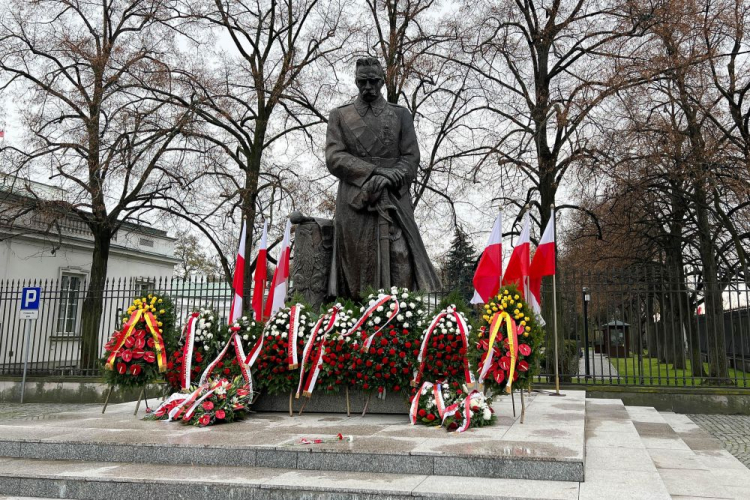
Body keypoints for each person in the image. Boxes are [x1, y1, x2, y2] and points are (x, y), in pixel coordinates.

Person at [326, 57, 441, 299]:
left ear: (382, 81)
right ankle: (355, 320)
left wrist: (393, 176)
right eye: (362, 82)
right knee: (358, 265)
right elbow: (334, 157)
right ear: (356, 82)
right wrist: (375, 172)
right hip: (355, 200)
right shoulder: (340, 115)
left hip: (394, 197)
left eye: (373, 81)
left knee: (400, 256)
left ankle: (399, 319)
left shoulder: (400, 115)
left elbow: (411, 157)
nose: (367, 87)